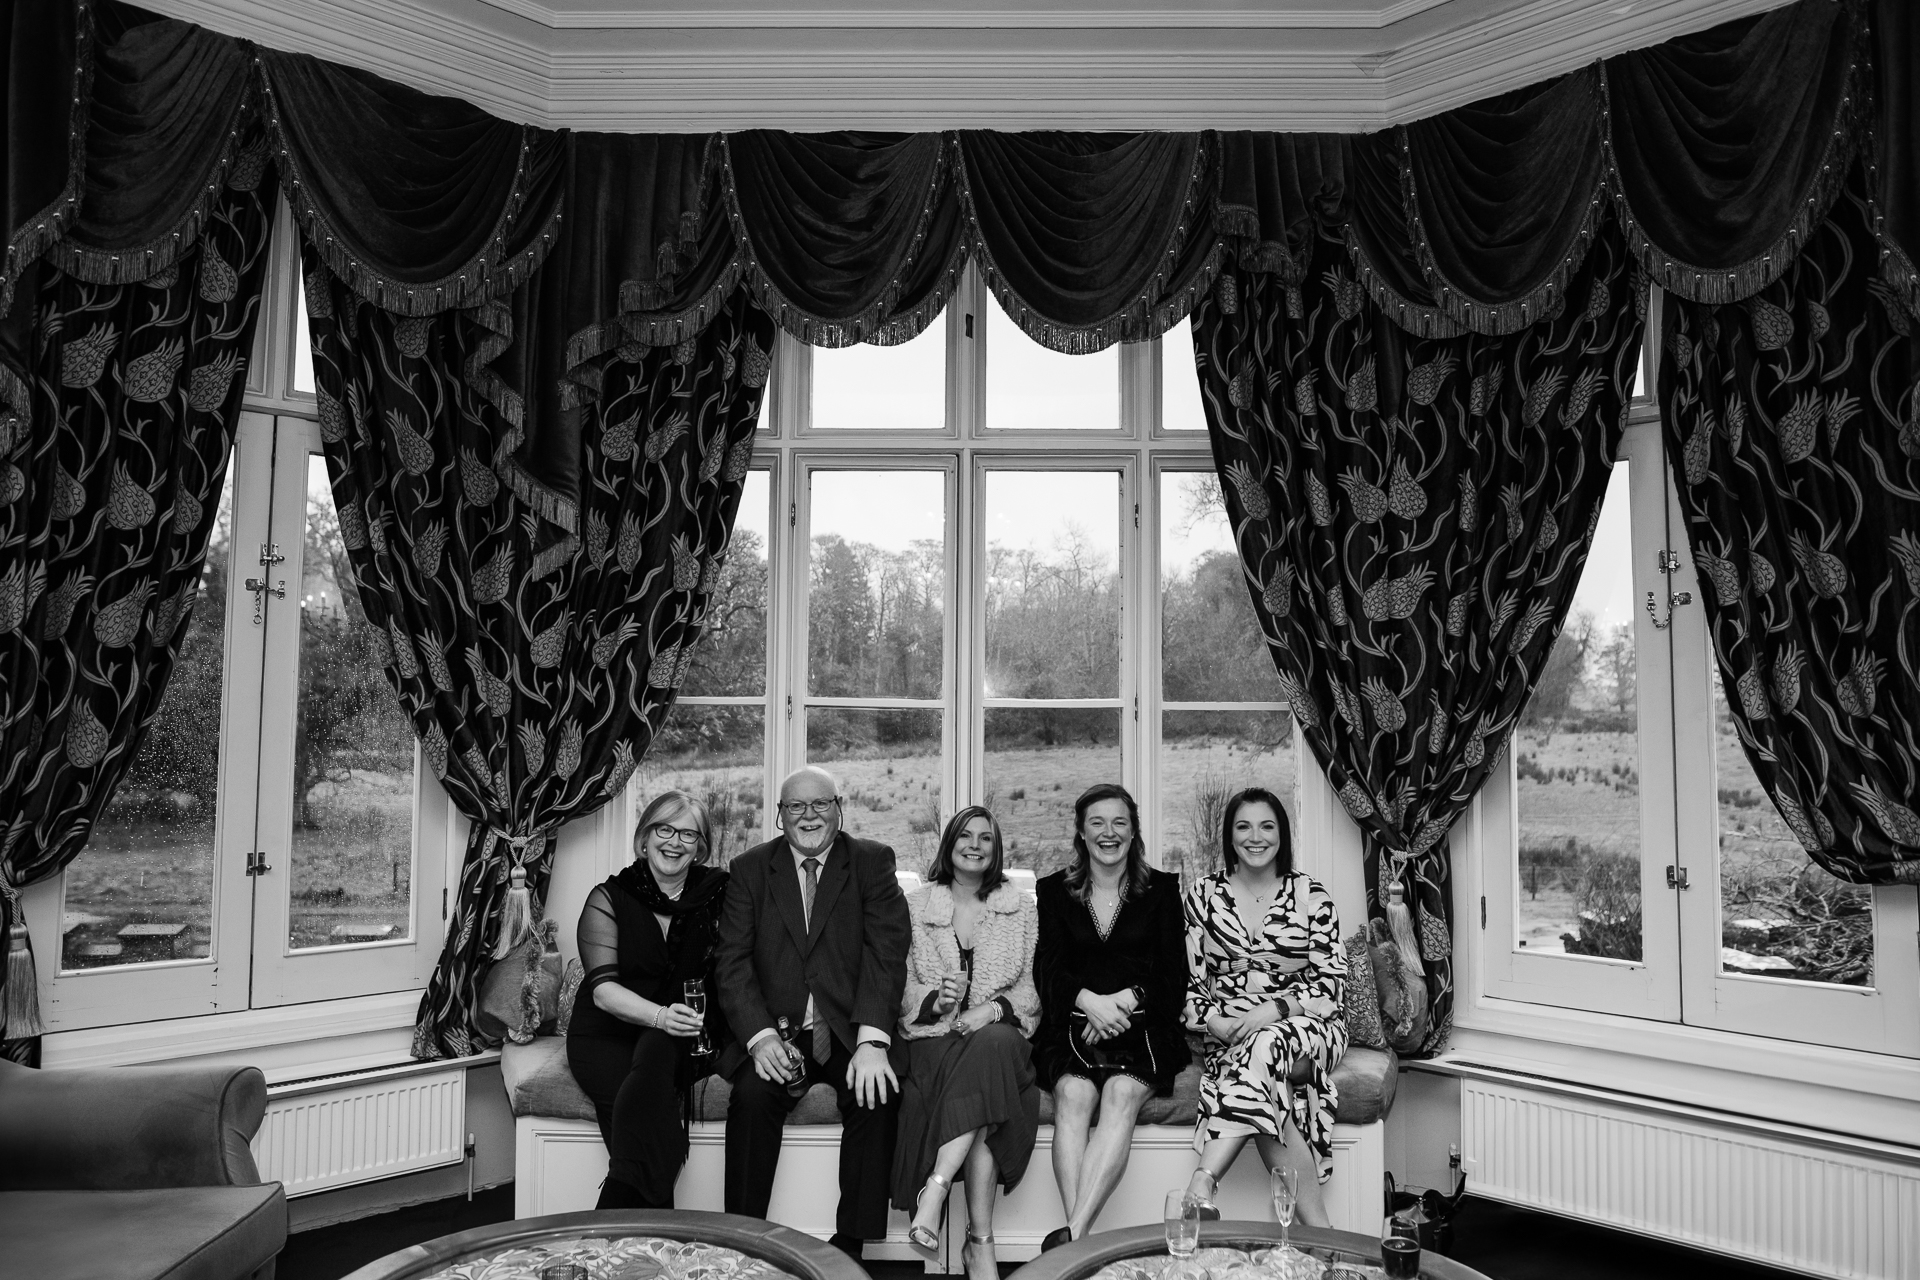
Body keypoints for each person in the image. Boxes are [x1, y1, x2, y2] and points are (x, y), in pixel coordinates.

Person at [714, 766, 911, 1259]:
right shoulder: (750, 869)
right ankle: (741, 1241)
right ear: (780, 816)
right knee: (752, 1098)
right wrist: (758, 1038)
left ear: (839, 808)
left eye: (820, 804)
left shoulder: (870, 862)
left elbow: (887, 952)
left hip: (848, 1028)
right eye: (796, 806)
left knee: (877, 1095)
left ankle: (849, 1248)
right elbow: (732, 962)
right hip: (776, 1032)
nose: (809, 815)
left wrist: (872, 1042)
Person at [1031, 782, 1190, 1250]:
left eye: (1119, 822)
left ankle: (1073, 1242)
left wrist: (1126, 999)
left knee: (1121, 1092)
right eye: (1096, 822)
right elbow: (1048, 970)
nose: (1108, 832)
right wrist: (1088, 1001)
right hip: (1072, 1024)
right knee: (1075, 1097)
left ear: (1134, 830)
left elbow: (1172, 975)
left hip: (1144, 1027)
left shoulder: (1161, 890)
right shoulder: (1054, 892)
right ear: (1080, 832)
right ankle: (1079, 1243)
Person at [1181, 787, 1347, 1228]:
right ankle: (1323, 1236)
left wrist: (1274, 1009)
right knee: (1266, 1074)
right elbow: (1189, 981)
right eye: (1244, 826)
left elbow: (1332, 984)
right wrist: (1213, 1021)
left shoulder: (1311, 894)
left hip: (1305, 1023)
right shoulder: (1202, 895)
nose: (1256, 837)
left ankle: (1203, 1182)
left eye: (1267, 826)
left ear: (1282, 834)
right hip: (1230, 1032)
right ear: (1229, 836)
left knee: (1265, 1044)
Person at [893, 807, 1041, 1280]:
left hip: (1003, 1037)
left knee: (995, 1043)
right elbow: (897, 983)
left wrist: (992, 1010)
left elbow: (1033, 988)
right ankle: (981, 1245)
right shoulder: (915, 906)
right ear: (949, 844)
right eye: (965, 836)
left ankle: (934, 1190)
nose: (975, 845)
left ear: (996, 851)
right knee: (991, 1090)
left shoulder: (1021, 909)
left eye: (986, 838)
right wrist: (935, 1002)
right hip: (936, 1040)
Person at [566, 790, 731, 1209]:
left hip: (676, 1032)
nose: (674, 842)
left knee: (655, 1067)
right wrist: (659, 1016)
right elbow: (603, 992)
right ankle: (648, 1246)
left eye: (688, 834)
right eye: (665, 829)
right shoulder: (608, 897)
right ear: (644, 837)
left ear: (701, 847)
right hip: (606, 1034)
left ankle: (609, 1238)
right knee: (656, 1125)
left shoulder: (719, 895)